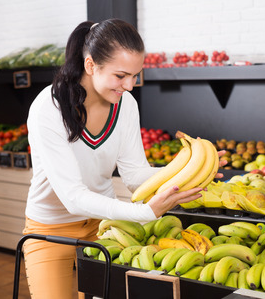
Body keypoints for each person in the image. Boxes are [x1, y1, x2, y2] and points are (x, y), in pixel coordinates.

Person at [23, 18, 226, 299]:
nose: (129, 86)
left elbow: (134, 176)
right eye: (120, 76)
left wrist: (189, 172)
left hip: (104, 226)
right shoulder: (49, 107)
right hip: (50, 227)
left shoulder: (125, 105)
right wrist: (143, 212)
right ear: (91, 65)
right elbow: (72, 196)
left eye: (135, 75)